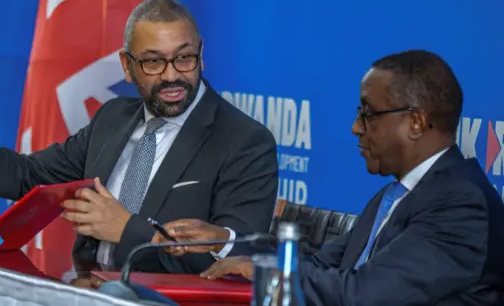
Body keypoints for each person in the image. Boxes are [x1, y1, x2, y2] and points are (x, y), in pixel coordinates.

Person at [0, 0, 279, 274]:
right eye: (153, 61)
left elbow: (234, 258)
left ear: (201, 55)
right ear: (127, 65)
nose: (171, 76)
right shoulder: (113, 118)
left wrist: (127, 229)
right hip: (85, 288)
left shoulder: (244, 141)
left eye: (184, 58)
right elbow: (32, 175)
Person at [153, 50, 504, 305]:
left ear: (415, 122)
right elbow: (319, 265)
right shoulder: (397, 195)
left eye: (368, 114)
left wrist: (266, 274)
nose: (355, 128)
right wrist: (226, 243)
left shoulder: (461, 203)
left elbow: (364, 295)